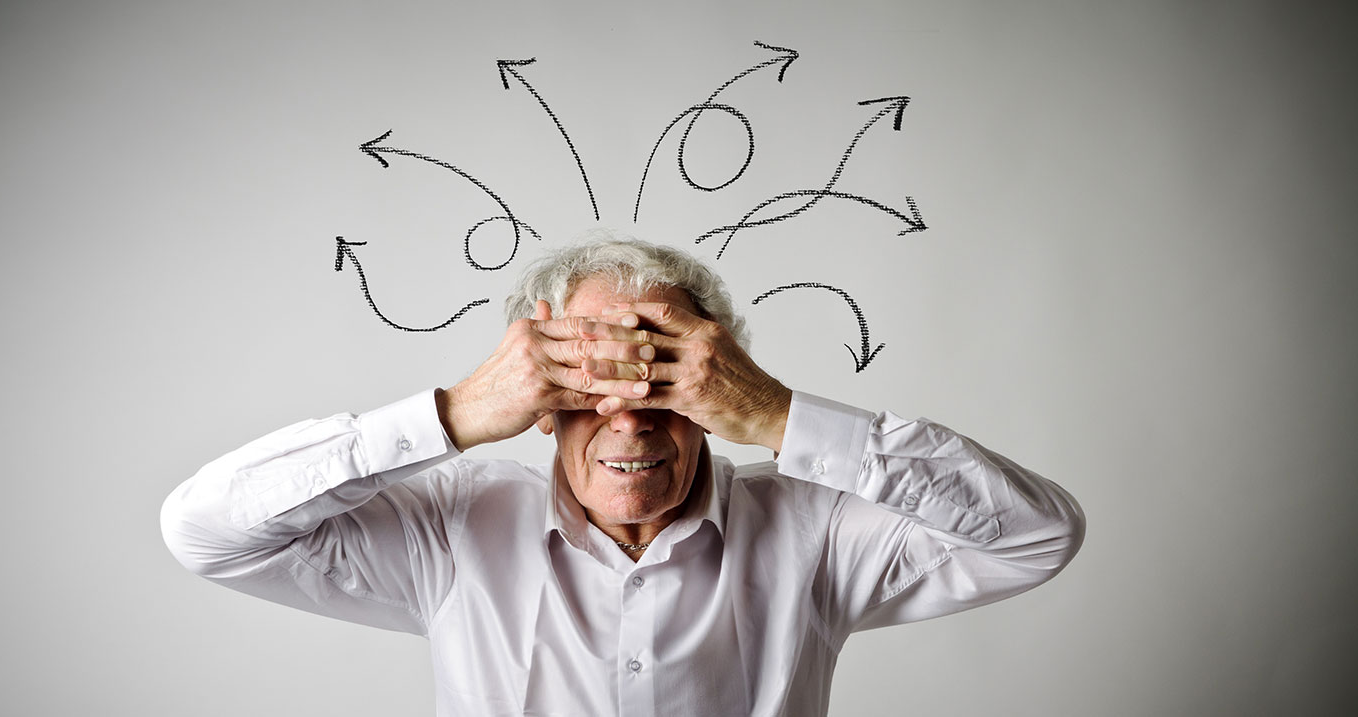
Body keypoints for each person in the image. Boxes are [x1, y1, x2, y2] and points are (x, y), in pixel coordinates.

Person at [160, 236, 1085, 716]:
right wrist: (450, 415)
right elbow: (204, 529)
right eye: (591, 382)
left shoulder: (816, 531)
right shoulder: (453, 530)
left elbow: (1038, 534)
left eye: (668, 380)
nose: (631, 418)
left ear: (716, 386)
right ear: (538, 397)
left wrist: (781, 416)